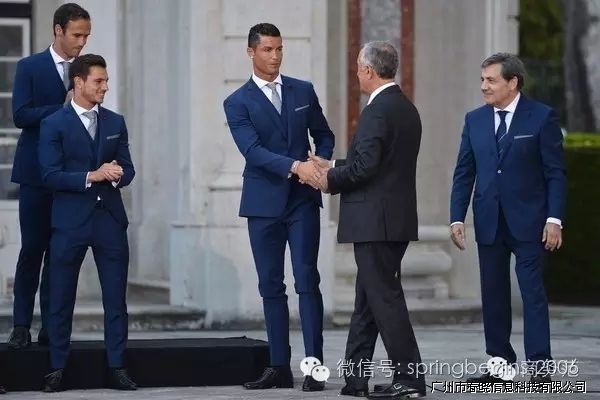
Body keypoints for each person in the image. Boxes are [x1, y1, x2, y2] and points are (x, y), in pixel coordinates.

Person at [223, 23, 334, 392]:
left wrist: (321, 160)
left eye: (279, 49)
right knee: (271, 286)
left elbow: (324, 133)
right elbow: (252, 151)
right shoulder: (237, 102)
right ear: (251, 52)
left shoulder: (303, 90)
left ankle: (315, 368)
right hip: (263, 204)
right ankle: (278, 367)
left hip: (302, 202)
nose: (275, 56)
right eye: (267, 49)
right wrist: (295, 166)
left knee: (307, 280)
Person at [312, 41, 425, 399]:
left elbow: (366, 168)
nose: (357, 73)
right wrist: (332, 165)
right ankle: (356, 379)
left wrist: (328, 180)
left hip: (377, 223)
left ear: (368, 71)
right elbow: (379, 163)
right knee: (368, 302)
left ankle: (409, 379)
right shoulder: (405, 107)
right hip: (391, 221)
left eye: (358, 67)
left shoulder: (377, 111)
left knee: (385, 301)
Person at [449, 53, 566, 383]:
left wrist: (554, 219)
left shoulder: (541, 117)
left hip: (531, 223)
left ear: (513, 82)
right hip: (489, 221)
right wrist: (457, 217)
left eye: (491, 80)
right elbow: (464, 172)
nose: (484, 86)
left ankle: (540, 368)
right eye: (482, 80)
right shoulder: (474, 120)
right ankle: (501, 363)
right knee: (493, 294)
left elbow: (555, 173)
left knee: (532, 294)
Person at [38, 54, 137, 392]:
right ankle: (56, 368)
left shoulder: (115, 122)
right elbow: (49, 175)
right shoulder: (54, 124)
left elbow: (128, 169)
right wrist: (94, 175)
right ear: (78, 82)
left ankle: (117, 367)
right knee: (61, 297)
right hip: (70, 222)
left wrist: (118, 174)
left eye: (106, 81)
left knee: (116, 299)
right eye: (99, 81)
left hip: (110, 220)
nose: (105, 87)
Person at [9, 2, 91, 350]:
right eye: (77, 35)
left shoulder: (87, 70)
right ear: (58, 30)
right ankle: (20, 326)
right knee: (32, 249)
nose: (82, 42)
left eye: (86, 36)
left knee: (59, 256)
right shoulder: (30, 66)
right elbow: (20, 115)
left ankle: (51, 328)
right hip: (35, 175)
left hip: (70, 177)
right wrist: (61, 108)